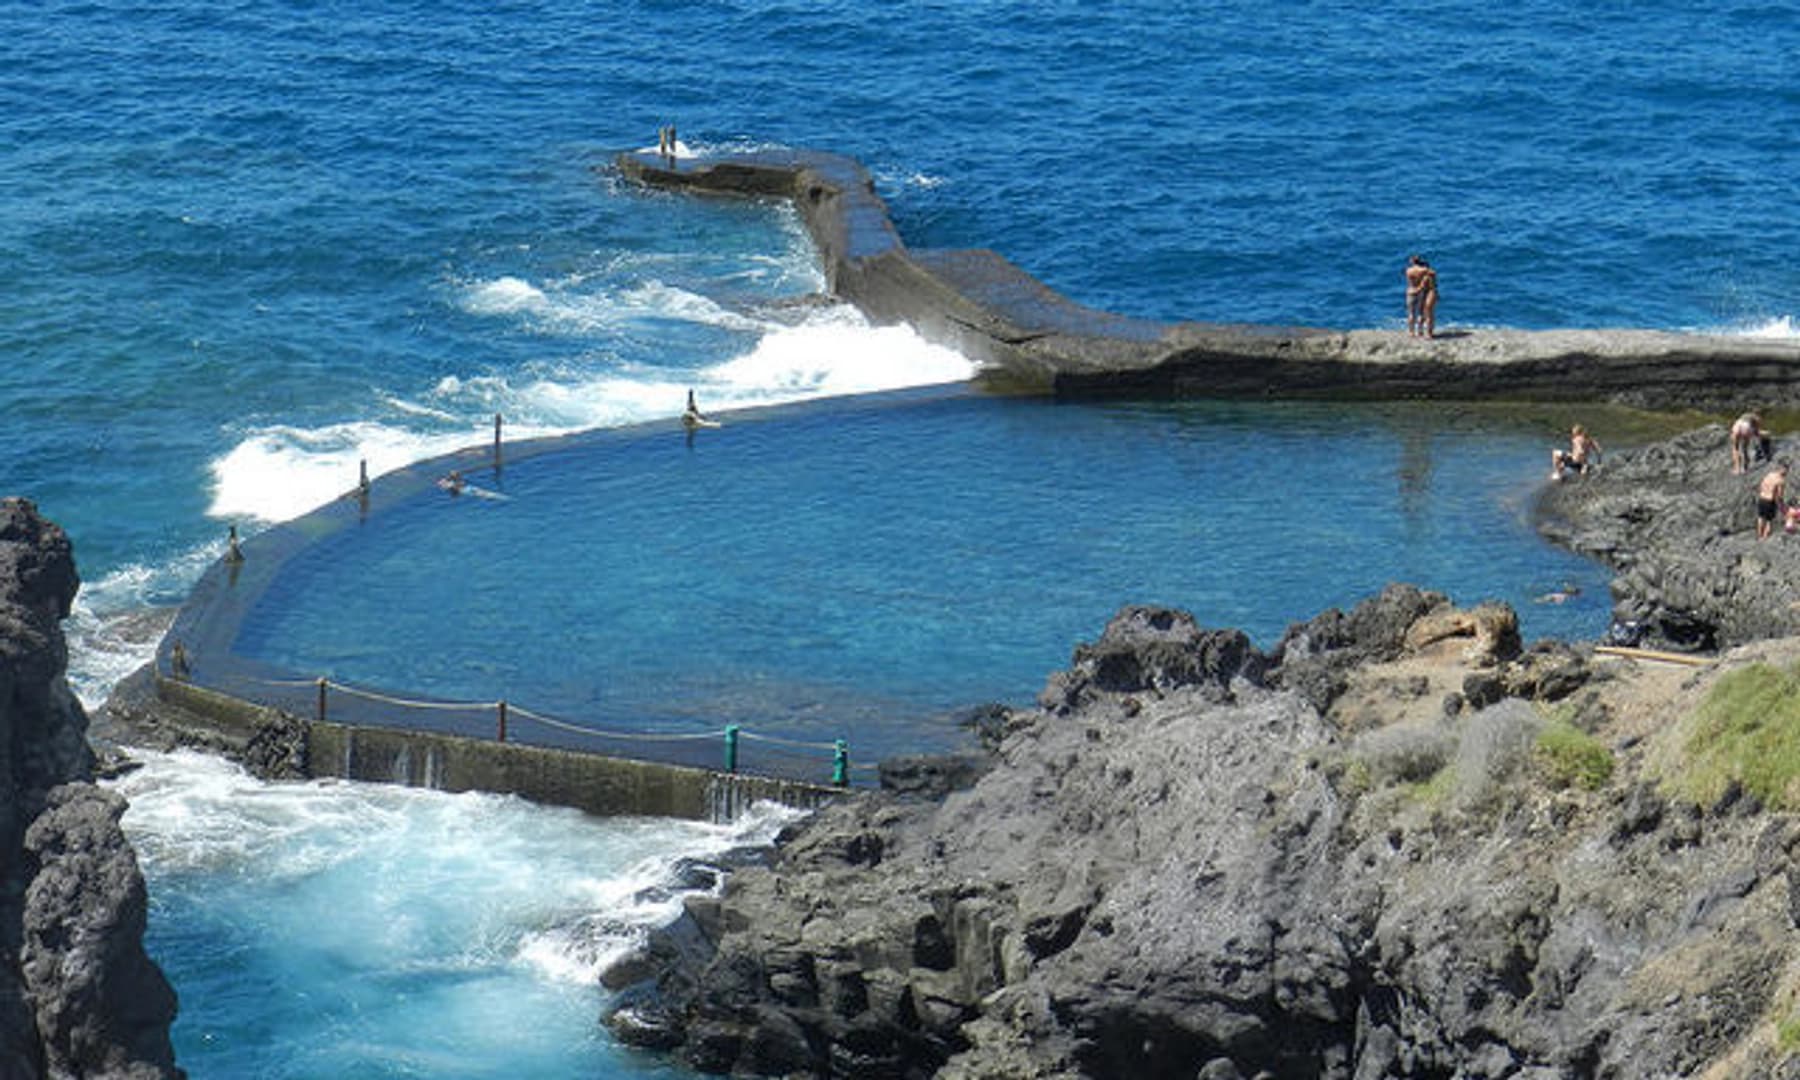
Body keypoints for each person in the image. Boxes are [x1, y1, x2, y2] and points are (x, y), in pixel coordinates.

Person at [1756, 460, 1788, 541]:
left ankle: (1759, 536)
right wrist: (1781, 505)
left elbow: (1761, 485)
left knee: (1760, 518)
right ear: (1782, 469)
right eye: (1786, 470)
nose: (1787, 472)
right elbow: (1780, 495)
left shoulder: (1769, 475)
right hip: (1770, 501)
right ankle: (1765, 537)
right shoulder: (1780, 480)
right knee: (1769, 521)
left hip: (1762, 498)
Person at [1404, 255, 1431, 337]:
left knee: (1411, 313)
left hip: (1411, 290)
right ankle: (1420, 331)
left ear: (1412, 262)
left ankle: (1411, 332)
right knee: (1420, 312)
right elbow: (1432, 273)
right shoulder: (1423, 270)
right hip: (1420, 291)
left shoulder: (1408, 270)